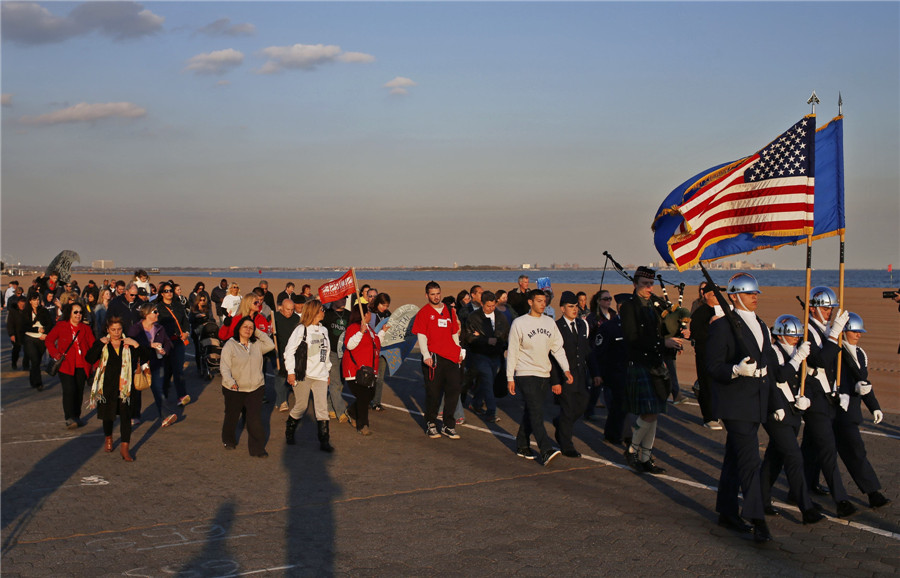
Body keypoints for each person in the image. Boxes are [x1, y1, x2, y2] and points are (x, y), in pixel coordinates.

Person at [705, 273, 773, 542]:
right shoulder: (722, 326)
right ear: (733, 296)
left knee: (735, 459)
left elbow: (768, 365)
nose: (754, 297)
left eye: (756, 293)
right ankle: (757, 518)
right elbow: (712, 366)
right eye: (748, 293)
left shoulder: (760, 323)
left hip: (757, 400)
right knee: (750, 461)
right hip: (736, 404)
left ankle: (727, 511)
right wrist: (735, 369)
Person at [760, 314, 824, 525]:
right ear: (779, 335)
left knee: (775, 457)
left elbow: (807, 380)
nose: (796, 339)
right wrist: (797, 359)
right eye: (791, 335)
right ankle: (806, 507)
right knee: (794, 457)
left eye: (797, 336)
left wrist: (807, 399)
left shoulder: (798, 352)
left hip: (794, 412)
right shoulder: (771, 352)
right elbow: (780, 376)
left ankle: (761, 499)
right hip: (776, 413)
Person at [620, 266, 682, 475]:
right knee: (648, 412)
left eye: (651, 284)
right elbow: (632, 337)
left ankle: (645, 457)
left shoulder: (655, 306)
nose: (649, 288)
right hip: (639, 363)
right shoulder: (629, 307)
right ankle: (632, 449)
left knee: (654, 412)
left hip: (655, 364)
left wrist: (674, 339)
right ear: (635, 284)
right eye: (645, 284)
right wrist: (663, 343)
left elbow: (663, 330)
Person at [800, 286, 856, 517]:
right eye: (825, 308)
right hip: (813, 396)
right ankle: (841, 500)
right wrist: (834, 336)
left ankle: (803, 486)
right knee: (827, 448)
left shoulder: (825, 329)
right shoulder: (807, 331)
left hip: (827, 394)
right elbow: (821, 361)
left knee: (811, 447)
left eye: (831, 308)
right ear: (812, 309)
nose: (829, 312)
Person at [507, 289, 572, 466]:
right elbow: (512, 351)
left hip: (544, 373)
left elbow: (557, 348)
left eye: (545, 301)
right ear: (530, 302)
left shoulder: (550, 323)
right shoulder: (519, 323)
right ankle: (545, 449)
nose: (543, 304)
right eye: (539, 301)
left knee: (531, 410)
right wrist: (510, 377)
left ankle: (521, 444)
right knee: (537, 411)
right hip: (525, 373)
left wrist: (566, 369)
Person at [834, 313, 890, 509]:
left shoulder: (860, 354)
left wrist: (874, 407)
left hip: (852, 412)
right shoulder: (836, 352)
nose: (858, 334)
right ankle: (873, 493)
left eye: (859, 331)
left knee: (817, 453)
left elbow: (864, 384)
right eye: (854, 331)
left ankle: (801, 488)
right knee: (853, 451)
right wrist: (849, 390)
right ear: (844, 332)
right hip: (838, 410)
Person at [86, 316, 149, 462]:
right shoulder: (103, 344)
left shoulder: (127, 344)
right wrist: (98, 345)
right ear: (108, 330)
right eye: (113, 329)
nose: (116, 332)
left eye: (119, 329)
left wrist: (136, 344)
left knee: (126, 417)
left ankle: (125, 449)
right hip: (107, 387)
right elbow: (89, 359)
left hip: (125, 388)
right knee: (108, 417)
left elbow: (146, 356)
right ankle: (108, 439)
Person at [412, 281, 465, 439]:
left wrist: (458, 351)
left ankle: (449, 425)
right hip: (434, 358)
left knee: (454, 390)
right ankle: (431, 423)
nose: (436, 297)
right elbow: (421, 335)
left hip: (451, 357)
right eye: (432, 294)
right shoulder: (424, 312)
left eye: (438, 293)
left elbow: (454, 332)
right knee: (433, 393)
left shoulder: (449, 310)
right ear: (427, 295)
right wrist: (426, 355)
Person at [220, 317, 275, 457]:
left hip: (255, 388)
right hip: (235, 388)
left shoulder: (256, 345)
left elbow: (271, 345)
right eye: (245, 326)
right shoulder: (230, 345)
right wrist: (230, 380)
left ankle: (257, 449)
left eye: (251, 327)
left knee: (255, 419)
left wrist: (258, 332)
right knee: (232, 416)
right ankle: (229, 440)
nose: (248, 330)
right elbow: (224, 367)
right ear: (238, 328)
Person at [284, 300, 335, 450]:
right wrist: (291, 372)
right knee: (301, 406)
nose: (323, 312)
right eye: (321, 309)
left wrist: (327, 371)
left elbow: (326, 353)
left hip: (320, 375)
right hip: (303, 375)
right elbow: (289, 351)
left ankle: (324, 441)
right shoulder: (302, 329)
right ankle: (290, 431)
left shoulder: (324, 330)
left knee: (322, 409)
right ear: (313, 311)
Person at [550, 291, 595, 458]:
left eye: (576, 306)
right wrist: (555, 381)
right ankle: (566, 445)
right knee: (568, 410)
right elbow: (552, 357)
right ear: (562, 308)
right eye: (570, 307)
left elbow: (586, 350)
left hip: (581, 374)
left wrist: (595, 372)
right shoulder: (556, 327)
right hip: (564, 375)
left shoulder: (583, 325)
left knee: (582, 404)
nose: (574, 309)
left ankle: (560, 423)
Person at [46, 302, 96, 429]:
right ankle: (69, 417)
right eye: (75, 312)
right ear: (69, 313)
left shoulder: (86, 328)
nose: (78, 315)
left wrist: (97, 364)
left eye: (80, 312)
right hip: (66, 365)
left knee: (79, 391)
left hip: (82, 365)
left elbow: (93, 347)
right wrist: (56, 354)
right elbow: (49, 340)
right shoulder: (61, 326)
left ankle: (76, 416)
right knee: (69, 390)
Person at [464, 291, 509, 423]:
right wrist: (486, 340)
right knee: (488, 381)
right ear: (482, 304)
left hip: (496, 355)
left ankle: (476, 403)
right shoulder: (474, 317)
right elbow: (469, 337)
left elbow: (504, 334)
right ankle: (491, 412)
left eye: (493, 305)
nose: (491, 308)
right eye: (488, 306)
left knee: (488, 382)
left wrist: (495, 341)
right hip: (480, 355)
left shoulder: (500, 317)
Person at [342, 306, 386, 436]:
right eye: (368, 313)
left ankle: (352, 412)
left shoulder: (370, 329)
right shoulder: (354, 327)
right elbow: (349, 345)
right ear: (363, 314)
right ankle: (363, 425)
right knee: (363, 397)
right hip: (356, 370)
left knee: (369, 395)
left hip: (369, 370)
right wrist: (360, 332)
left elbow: (376, 343)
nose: (370, 315)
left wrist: (383, 332)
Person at [128, 302, 174, 424]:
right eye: (155, 312)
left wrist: (165, 351)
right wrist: (149, 345)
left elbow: (168, 342)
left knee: (158, 389)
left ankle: (166, 415)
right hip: (139, 363)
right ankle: (134, 415)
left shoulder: (160, 328)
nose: (157, 314)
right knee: (136, 390)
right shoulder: (135, 329)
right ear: (147, 314)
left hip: (156, 363)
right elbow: (130, 344)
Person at [594, 294, 630, 445]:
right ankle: (619, 435)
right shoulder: (608, 327)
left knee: (624, 406)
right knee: (618, 406)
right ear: (620, 308)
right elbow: (598, 353)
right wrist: (598, 374)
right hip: (613, 373)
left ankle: (613, 433)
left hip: (629, 372)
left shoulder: (634, 326)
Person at [690, 284, 724, 430]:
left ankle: (716, 412)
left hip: (721, 354)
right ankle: (709, 417)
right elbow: (696, 333)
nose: (717, 297)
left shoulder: (723, 310)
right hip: (705, 353)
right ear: (706, 295)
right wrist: (711, 326)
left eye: (718, 294)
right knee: (706, 385)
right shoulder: (701, 312)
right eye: (714, 294)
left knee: (718, 384)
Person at [156, 281, 192, 409]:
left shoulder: (178, 306)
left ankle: (181, 396)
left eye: (170, 290)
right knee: (167, 371)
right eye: (166, 291)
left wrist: (186, 333)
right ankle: (163, 394)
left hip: (178, 342)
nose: (169, 293)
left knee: (178, 369)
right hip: (165, 343)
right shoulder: (158, 308)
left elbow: (185, 321)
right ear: (161, 293)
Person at [584, 289, 614, 421]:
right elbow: (589, 338)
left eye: (609, 299)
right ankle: (589, 411)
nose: (608, 301)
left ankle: (612, 413)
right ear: (598, 301)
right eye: (605, 299)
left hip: (611, 355)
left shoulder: (613, 315)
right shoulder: (593, 318)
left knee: (610, 387)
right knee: (596, 385)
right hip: (596, 355)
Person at [322, 296, 350, 421]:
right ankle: (341, 412)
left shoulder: (349, 315)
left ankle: (330, 407)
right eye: (341, 299)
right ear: (334, 300)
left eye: (345, 299)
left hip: (345, 352)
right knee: (335, 382)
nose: (344, 301)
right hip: (331, 352)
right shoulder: (327, 314)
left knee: (342, 382)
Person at [272, 297, 301, 412]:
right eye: (287, 309)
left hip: (293, 354)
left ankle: (297, 400)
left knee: (294, 377)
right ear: (281, 308)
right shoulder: (274, 317)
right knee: (280, 378)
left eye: (292, 309)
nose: (290, 312)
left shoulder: (297, 319)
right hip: (278, 352)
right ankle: (282, 401)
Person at [23, 292, 54, 390]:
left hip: (41, 339)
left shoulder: (44, 311)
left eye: (37, 300)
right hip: (30, 338)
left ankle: (33, 380)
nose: (36, 302)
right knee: (35, 359)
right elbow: (23, 327)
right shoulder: (25, 312)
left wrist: (45, 333)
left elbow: (50, 324)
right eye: (34, 300)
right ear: (30, 301)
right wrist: (37, 330)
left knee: (36, 362)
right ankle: (39, 383)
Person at [368, 292, 392, 412]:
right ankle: (367, 399)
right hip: (372, 349)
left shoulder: (388, 314)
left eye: (387, 305)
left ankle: (376, 401)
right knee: (369, 375)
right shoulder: (371, 315)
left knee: (380, 377)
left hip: (384, 349)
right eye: (383, 305)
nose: (385, 308)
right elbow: (370, 332)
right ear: (377, 303)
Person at [189, 294, 212, 376]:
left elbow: (211, 318)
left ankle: (205, 366)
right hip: (196, 331)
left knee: (205, 349)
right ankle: (199, 367)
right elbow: (190, 320)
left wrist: (207, 320)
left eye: (203, 300)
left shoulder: (207, 309)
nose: (202, 302)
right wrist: (197, 316)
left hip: (205, 330)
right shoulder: (193, 309)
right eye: (200, 300)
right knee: (198, 350)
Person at [7, 295, 29, 370]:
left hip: (26, 333)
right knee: (16, 350)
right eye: (21, 303)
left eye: (24, 303)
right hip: (16, 334)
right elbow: (10, 324)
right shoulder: (13, 311)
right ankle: (14, 363)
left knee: (27, 351)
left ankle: (26, 365)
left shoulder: (27, 311)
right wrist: (11, 334)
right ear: (18, 303)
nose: (22, 305)